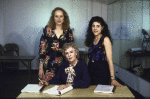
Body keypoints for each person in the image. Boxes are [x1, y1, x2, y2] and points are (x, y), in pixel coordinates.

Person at [85, 16, 122, 87]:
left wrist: (112, 78)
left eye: (98, 26)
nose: (95, 28)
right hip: (90, 70)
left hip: (102, 71)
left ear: (102, 27)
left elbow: (110, 60)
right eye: (93, 26)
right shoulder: (91, 40)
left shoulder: (105, 39)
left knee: (100, 94)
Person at [39, 7, 74, 81]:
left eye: (61, 16)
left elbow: (72, 50)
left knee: (63, 88)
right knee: (48, 88)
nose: (59, 18)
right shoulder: (47, 30)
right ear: (53, 18)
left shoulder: (68, 32)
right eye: (56, 16)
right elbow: (42, 49)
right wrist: (40, 67)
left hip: (64, 64)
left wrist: (72, 65)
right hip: (48, 65)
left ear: (64, 18)